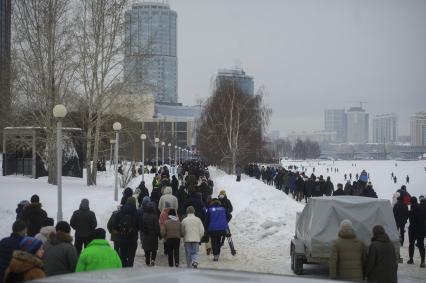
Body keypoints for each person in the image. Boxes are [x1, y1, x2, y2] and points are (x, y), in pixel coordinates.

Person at [113, 197, 139, 267]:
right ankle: (129, 271)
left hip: (122, 238)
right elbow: (140, 226)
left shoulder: (120, 212)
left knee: (123, 256)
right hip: (133, 238)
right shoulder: (136, 212)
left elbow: (114, 225)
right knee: (131, 257)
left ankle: (124, 269)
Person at [407, 197, 425, 267]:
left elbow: (411, 220)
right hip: (422, 229)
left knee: (411, 244)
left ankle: (411, 259)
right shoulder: (422, 208)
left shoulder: (412, 209)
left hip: (413, 229)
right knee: (421, 245)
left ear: (411, 202)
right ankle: (423, 261)